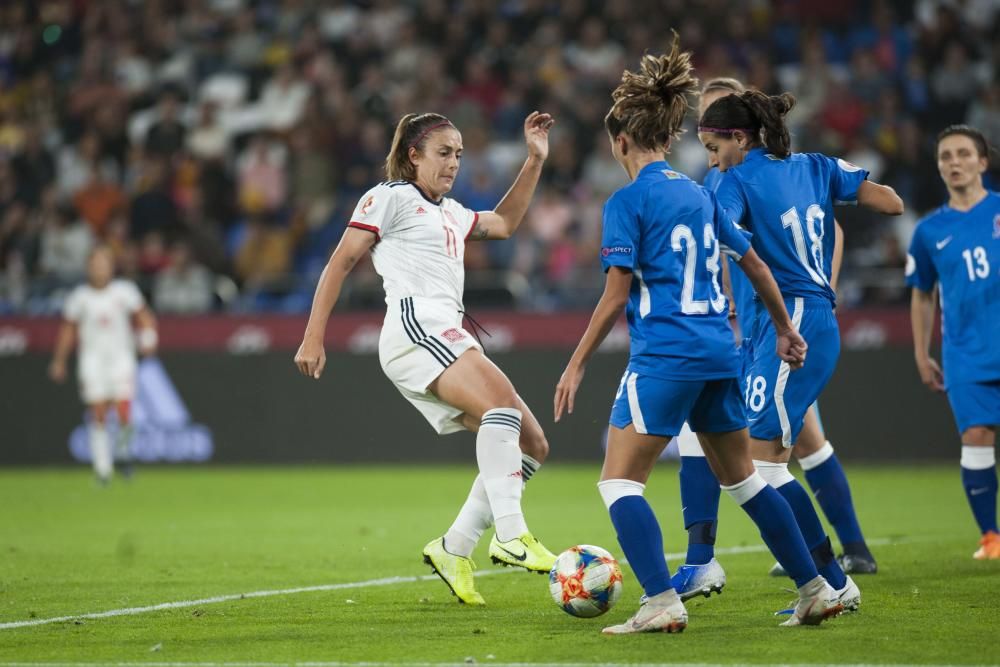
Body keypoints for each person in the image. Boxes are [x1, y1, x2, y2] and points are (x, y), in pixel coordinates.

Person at [554, 38, 844, 634]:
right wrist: (785, 328)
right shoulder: (700, 193)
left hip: (665, 354)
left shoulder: (627, 200)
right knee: (743, 479)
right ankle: (817, 587)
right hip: (719, 350)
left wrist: (576, 362)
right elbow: (758, 266)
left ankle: (660, 601)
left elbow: (614, 296)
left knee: (618, 481)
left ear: (622, 141)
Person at [294, 111, 559, 605]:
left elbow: (503, 223)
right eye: (443, 152)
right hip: (416, 326)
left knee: (531, 443)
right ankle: (511, 533)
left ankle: (454, 547)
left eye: (459, 153)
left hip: (444, 330)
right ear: (413, 155)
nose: (454, 162)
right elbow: (341, 263)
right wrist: (314, 336)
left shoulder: (452, 212)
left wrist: (534, 160)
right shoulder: (390, 197)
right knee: (500, 404)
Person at [697, 89, 904, 613]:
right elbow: (891, 202)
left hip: (788, 322)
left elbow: (713, 229)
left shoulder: (734, 179)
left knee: (762, 470)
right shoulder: (815, 166)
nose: (710, 159)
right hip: (797, 317)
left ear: (738, 138)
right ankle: (831, 579)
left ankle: (828, 584)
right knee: (761, 463)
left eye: (712, 147)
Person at [907, 125, 1000, 560]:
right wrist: (922, 353)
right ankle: (991, 537)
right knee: (976, 436)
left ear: (983, 162)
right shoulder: (929, 231)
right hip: (964, 354)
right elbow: (923, 293)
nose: (954, 162)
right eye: (946, 156)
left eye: (963, 154)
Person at [49, 245, 158, 484]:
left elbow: (144, 317)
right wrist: (59, 360)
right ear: (89, 268)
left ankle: (123, 455)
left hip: (121, 358)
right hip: (92, 361)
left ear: (111, 267)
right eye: (95, 264)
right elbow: (68, 330)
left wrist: (149, 338)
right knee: (97, 412)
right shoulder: (80, 297)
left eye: (104, 264)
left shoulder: (125, 292)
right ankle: (102, 470)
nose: (100, 269)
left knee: (124, 412)